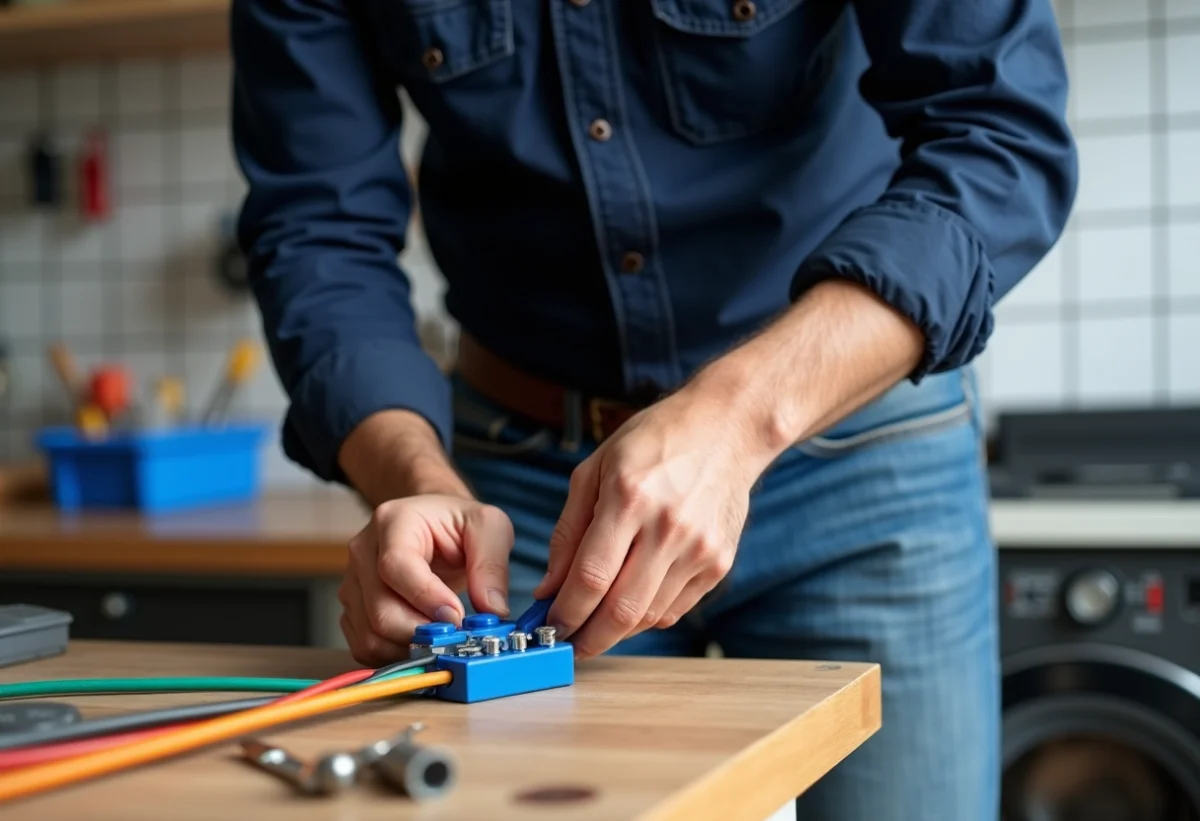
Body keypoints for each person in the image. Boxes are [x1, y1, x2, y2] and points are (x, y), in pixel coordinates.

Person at [229, 0, 1077, 816]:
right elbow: (315, 227)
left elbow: (998, 135)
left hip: (863, 465)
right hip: (521, 502)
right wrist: (412, 475)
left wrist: (738, 417)